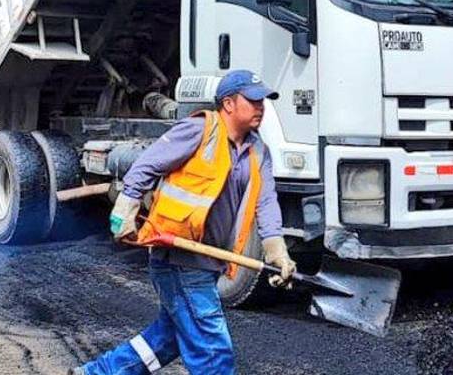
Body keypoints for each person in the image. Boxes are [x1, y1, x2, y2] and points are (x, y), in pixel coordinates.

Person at [74, 70, 294, 375]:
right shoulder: (199, 131)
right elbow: (146, 165)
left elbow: (266, 202)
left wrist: (277, 251)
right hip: (177, 257)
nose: (261, 107)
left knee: (166, 340)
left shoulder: (258, 150)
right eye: (253, 100)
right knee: (213, 352)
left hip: (208, 260)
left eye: (263, 101)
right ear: (228, 104)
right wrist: (125, 209)